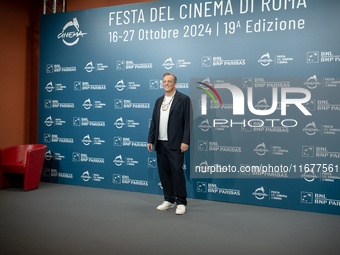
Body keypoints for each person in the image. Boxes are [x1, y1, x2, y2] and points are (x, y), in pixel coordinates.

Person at [147, 72, 191, 215]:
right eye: (164, 81)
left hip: (176, 144)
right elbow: (154, 122)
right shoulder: (159, 100)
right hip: (160, 142)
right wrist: (150, 139)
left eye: (169, 81)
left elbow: (187, 123)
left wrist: (185, 141)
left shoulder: (183, 99)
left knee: (177, 172)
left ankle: (181, 202)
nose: (166, 83)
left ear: (175, 84)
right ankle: (169, 200)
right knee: (164, 173)